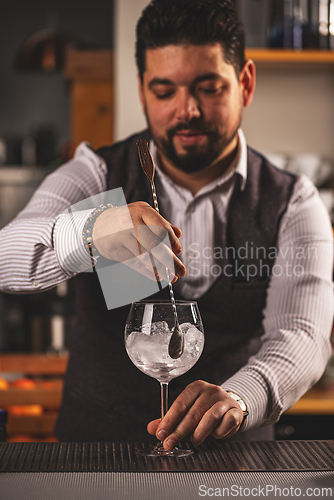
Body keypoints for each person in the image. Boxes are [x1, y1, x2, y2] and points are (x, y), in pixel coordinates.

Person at [0, 0, 333, 449]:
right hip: (96, 463)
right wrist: (90, 232)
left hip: (235, 468)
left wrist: (239, 396)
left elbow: (302, 335)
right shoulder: (97, 174)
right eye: (164, 91)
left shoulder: (292, 201)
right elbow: (6, 257)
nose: (187, 110)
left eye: (208, 88)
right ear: (141, 91)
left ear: (245, 83)